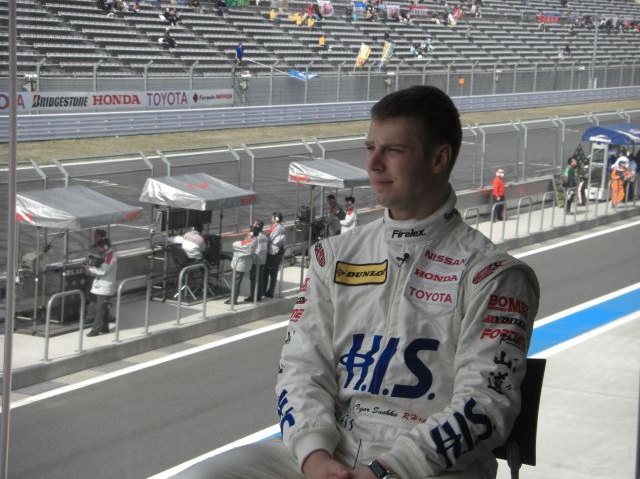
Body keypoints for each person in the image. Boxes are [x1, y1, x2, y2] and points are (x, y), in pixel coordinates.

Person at [176, 85, 540, 479]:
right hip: (329, 449)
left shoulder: (494, 275)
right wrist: (314, 455)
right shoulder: (332, 256)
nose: (373, 163)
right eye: (371, 148)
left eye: (394, 150)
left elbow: (487, 401)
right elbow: (301, 365)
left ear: (439, 158)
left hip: (428, 468)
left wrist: (385, 470)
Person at [84, 237, 117, 337]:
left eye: (98, 247)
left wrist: (90, 268)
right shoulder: (107, 255)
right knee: (104, 308)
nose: (97, 250)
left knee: (100, 309)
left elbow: (103, 271)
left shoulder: (110, 257)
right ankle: (104, 328)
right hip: (101, 286)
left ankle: (95, 330)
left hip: (104, 287)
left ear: (105, 247)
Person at [225, 225, 257, 305]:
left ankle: (233, 300)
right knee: (238, 281)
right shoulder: (255, 240)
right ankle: (233, 299)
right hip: (245, 263)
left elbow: (235, 244)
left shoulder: (248, 241)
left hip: (240, 264)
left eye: (249, 231)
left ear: (251, 233)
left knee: (236, 282)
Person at [263, 212, 286, 298]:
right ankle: (270, 291)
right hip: (278, 251)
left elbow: (269, 238)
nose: (271, 218)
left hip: (273, 252)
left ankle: (266, 291)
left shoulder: (276, 228)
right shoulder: (281, 226)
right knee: (273, 273)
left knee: (268, 272)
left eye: (272, 217)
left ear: (276, 219)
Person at [246, 220, 268, 302]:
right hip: (263, 261)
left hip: (256, 261)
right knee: (260, 279)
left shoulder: (255, 237)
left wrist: (249, 235)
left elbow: (247, 244)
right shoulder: (264, 236)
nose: (252, 226)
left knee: (254, 279)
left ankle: (253, 297)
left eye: (254, 225)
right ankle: (259, 295)